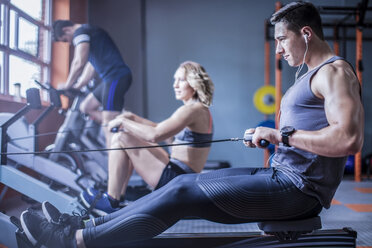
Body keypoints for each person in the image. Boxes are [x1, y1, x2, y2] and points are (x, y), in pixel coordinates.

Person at [20, 2, 364, 248]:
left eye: (281, 39)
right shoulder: (308, 74)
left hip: (298, 191)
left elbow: (348, 139)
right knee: (184, 183)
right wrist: (274, 139)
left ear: (305, 33)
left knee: (182, 192)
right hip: (281, 175)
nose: (278, 49)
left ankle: (74, 240)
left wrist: (281, 135)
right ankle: (85, 224)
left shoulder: (334, 71)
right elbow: (301, 138)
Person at [78, 60, 215, 215]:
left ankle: (112, 199)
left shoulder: (191, 110)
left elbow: (155, 135)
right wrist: (133, 118)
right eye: (174, 80)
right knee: (129, 137)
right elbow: (161, 129)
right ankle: (118, 195)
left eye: (181, 80)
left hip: (176, 179)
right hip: (180, 174)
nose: (175, 85)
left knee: (122, 138)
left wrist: (124, 121)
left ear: (194, 83)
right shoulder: (199, 109)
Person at [52, 20, 132, 147]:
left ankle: (113, 162)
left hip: (116, 76)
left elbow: (79, 62)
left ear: (66, 30)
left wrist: (67, 85)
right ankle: (126, 122)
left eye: (65, 40)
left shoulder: (80, 32)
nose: (69, 43)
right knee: (86, 107)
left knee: (108, 122)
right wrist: (77, 86)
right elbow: (91, 67)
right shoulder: (89, 32)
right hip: (109, 79)